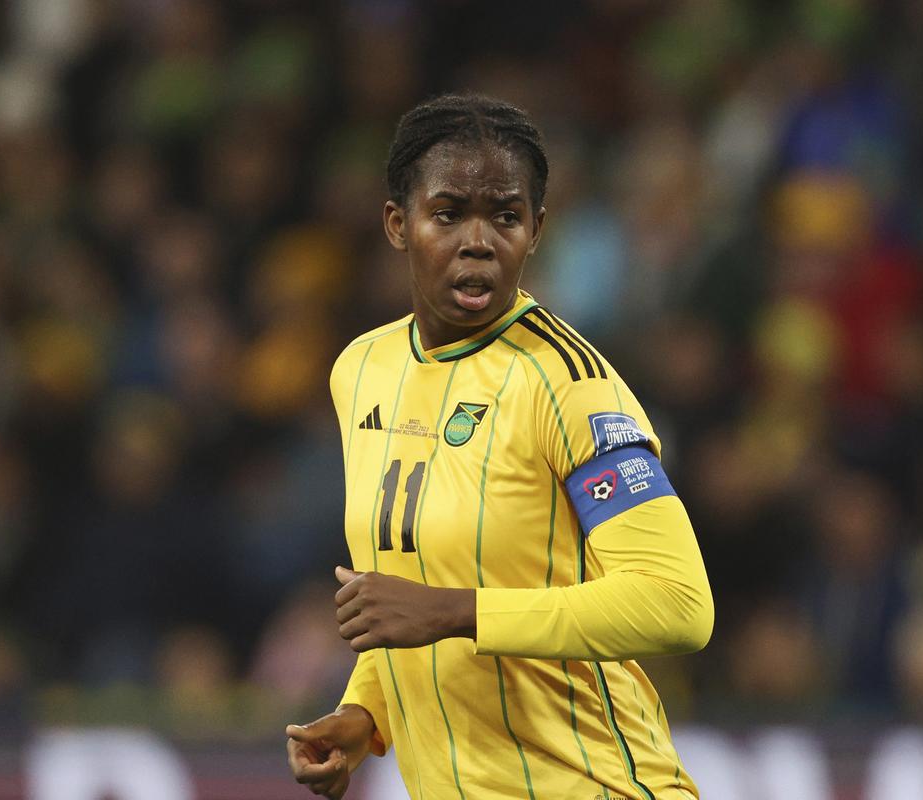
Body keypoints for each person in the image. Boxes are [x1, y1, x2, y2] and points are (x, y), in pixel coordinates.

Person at [286, 93, 714, 800]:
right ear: (399, 224)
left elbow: (678, 604)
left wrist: (458, 611)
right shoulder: (361, 370)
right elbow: (408, 577)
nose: (478, 241)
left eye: (506, 216)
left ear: (537, 230)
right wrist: (368, 712)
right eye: (448, 213)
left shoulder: (570, 387)